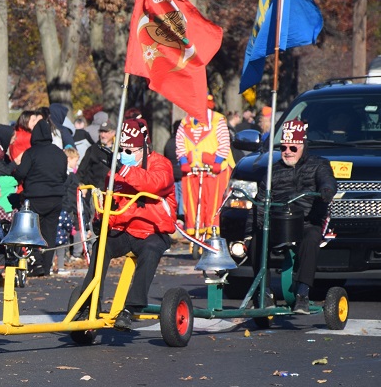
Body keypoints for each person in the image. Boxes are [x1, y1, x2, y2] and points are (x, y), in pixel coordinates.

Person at [74, 118, 177, 331]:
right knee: (101, 245)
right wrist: (101, 220)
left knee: (150, 250)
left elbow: (155, 183)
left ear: (144, 149)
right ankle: (89, 304)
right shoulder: (116, 172)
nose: (125, 154)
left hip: (153, 229)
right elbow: (112, 203)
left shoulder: (161, 164)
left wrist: (125, 170)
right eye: (121, 150)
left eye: (130, 150)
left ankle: (131, 307)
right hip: (125, 229)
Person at [252, 119, 336, 314]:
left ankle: (302, 293)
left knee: (311, 238)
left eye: (292, 147)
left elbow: (328, 180)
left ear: (303, 146)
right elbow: (260, 201)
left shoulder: (319, 164)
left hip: (306, 222)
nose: (287, 152)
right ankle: (265, 291)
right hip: (279, 223)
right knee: (257, 239)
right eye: (283, 147)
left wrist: (326, 190)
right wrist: (253, 230)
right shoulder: (273, 170)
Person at [13, 117, 68, 277]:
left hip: (35, 197)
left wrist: (16, 172)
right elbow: (64, 175)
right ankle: (46, 266)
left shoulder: (31, 153)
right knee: (50, 233)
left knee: (32, 232)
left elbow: (21, 173)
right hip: (56, 197)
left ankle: (36, 263)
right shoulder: (59, 153)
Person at [176, 95, 232, 238]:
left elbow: (224, 143)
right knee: (192, 204)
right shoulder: (185, 122)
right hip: (193, 170)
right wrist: (183, 161)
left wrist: (217, 161)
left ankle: (212, 235)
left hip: (214, 171)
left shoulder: (217, 120)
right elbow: (180, 143)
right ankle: (195, 236)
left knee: (213, 204)